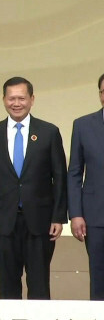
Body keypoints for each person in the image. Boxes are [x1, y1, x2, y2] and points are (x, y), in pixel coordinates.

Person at [0, 76, 67, 299]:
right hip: (3, 223)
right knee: (8, 287)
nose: (16, 103)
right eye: (11, 98)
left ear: (32, 99)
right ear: (3, 100)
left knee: (39, 285)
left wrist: (58, 217)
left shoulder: (49, 132)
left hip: (40, 222)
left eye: (21, 98)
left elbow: (59, 177)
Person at [67, 73, 104, 300]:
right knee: (99, 278)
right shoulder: (82, 125)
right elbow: (74, 172)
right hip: (95, 216)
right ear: (100, 95)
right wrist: (76, 214)